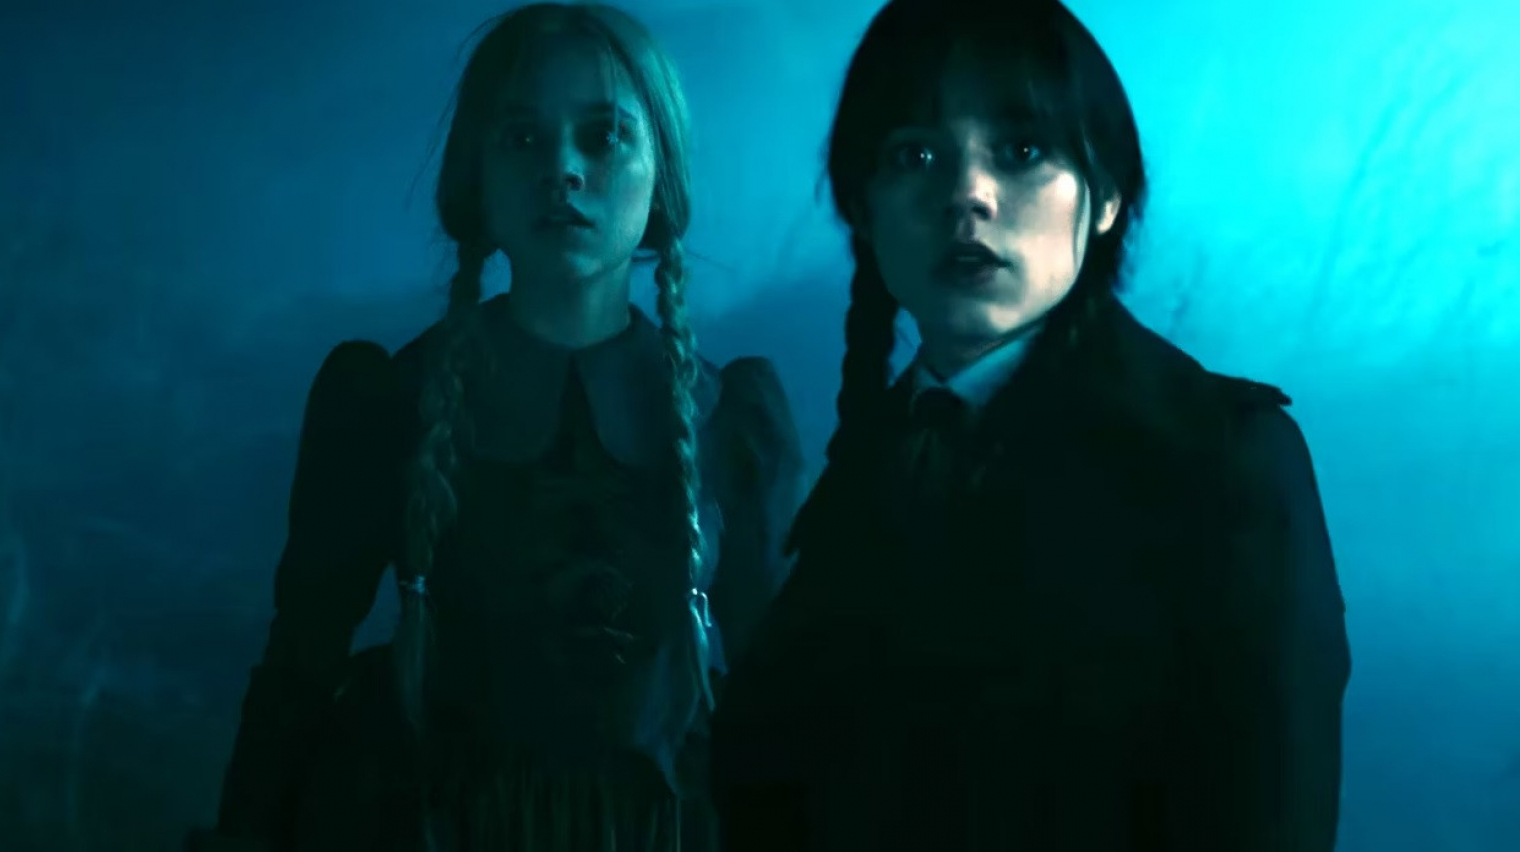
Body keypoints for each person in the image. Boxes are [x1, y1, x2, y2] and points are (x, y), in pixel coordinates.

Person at [709, 1, 1351, 850]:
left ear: (1107, 194)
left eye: (1021, 152)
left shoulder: (1223, 458)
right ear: (862, 206)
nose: (966, 195)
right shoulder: (870, 457)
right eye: (916, 155)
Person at [185, 4, 804, 851]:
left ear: (660, 169)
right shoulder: (388, 402)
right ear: (477, 171)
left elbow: (779, 706)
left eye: (603, 136)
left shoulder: (731, 419)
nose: (563, 169)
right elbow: (299, 666)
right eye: (523, 138)